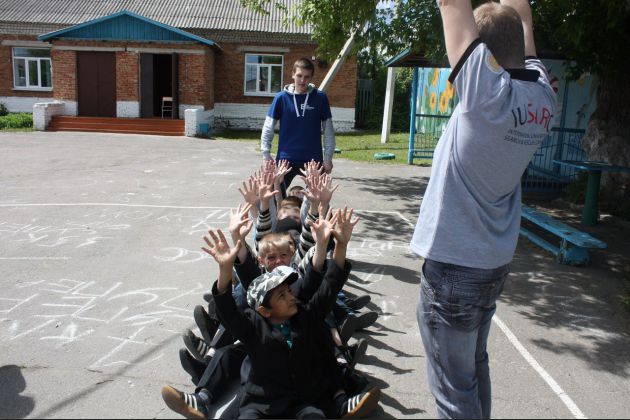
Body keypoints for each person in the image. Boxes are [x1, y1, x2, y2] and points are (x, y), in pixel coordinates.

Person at [411, 0, 557, 418]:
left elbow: (454, 5)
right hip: (491, 263)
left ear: (484, 54)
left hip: (454, 269)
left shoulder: (485, 95)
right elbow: (522, 17)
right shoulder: (542, 96)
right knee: (472, 370)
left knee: (454, 393)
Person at [260, 57, 336, 193]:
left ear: (311, 77)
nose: (302, 80)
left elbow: (328, 130)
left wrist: (328, 158)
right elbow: (268, 127)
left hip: (313, 161)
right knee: (274, 196)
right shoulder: (281, 98)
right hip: (285, 160)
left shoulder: (320, 98)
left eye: (307, 77)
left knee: (318, 199)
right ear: (293, 74)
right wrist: (266, 155)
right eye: (299, 76)